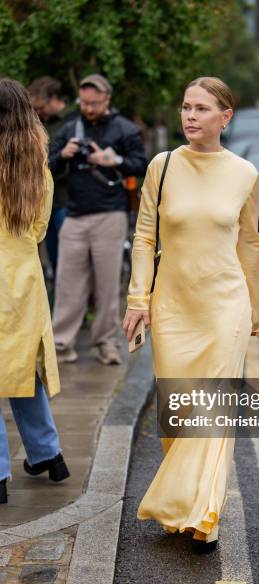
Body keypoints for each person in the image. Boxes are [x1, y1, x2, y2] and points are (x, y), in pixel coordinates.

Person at [123, 76, 259, 553]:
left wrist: (257, 311)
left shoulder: (245, 172)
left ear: (225, 117)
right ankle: (181, 507)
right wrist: (137, 300)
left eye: (202, 109)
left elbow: (249, 243)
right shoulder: (162, 166)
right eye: (186, 107)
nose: (190, 116)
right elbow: (145, 236)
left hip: (225, 307)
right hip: (173, 309)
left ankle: (204, 516)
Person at [0, 78, 70, 504]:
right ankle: (49, 453)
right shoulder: (38, 169)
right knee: (24, 372)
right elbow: (41, 229)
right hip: (24, 279)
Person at [50, 74, 148, 366]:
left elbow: (141, 164)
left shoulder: (124, 129)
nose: (89, 108)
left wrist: (113, 160)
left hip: (111, 213)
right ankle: (61, 343)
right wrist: (63, 155)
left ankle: (106, 342)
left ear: (107, 99)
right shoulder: (70, 128)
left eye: (94, 103)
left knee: (108, 284)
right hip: (75, 214)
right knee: (67, 283)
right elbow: (46, 167)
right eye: (85, 103)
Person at [28, 77, 76, 281]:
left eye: (41, 107)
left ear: (55, 99)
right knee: (54, 257)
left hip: (67, 198)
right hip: (46, 201)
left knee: (70, 260)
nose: (39, 113)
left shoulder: (73, 121)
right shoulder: (39, 124)